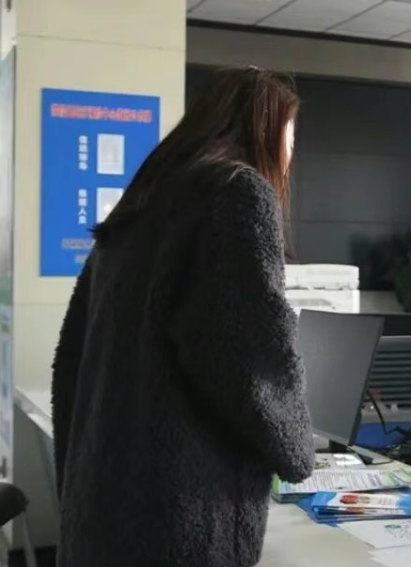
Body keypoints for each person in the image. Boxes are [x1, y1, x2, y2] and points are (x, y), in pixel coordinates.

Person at [51, 67, 315, 567]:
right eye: (290, 138)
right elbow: (250, 361)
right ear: (263, 131)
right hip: (174, 521)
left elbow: (71, 362)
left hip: (102, 509)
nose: (289, 156)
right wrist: (298, 447)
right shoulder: (237, 194)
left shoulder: (140, 206)